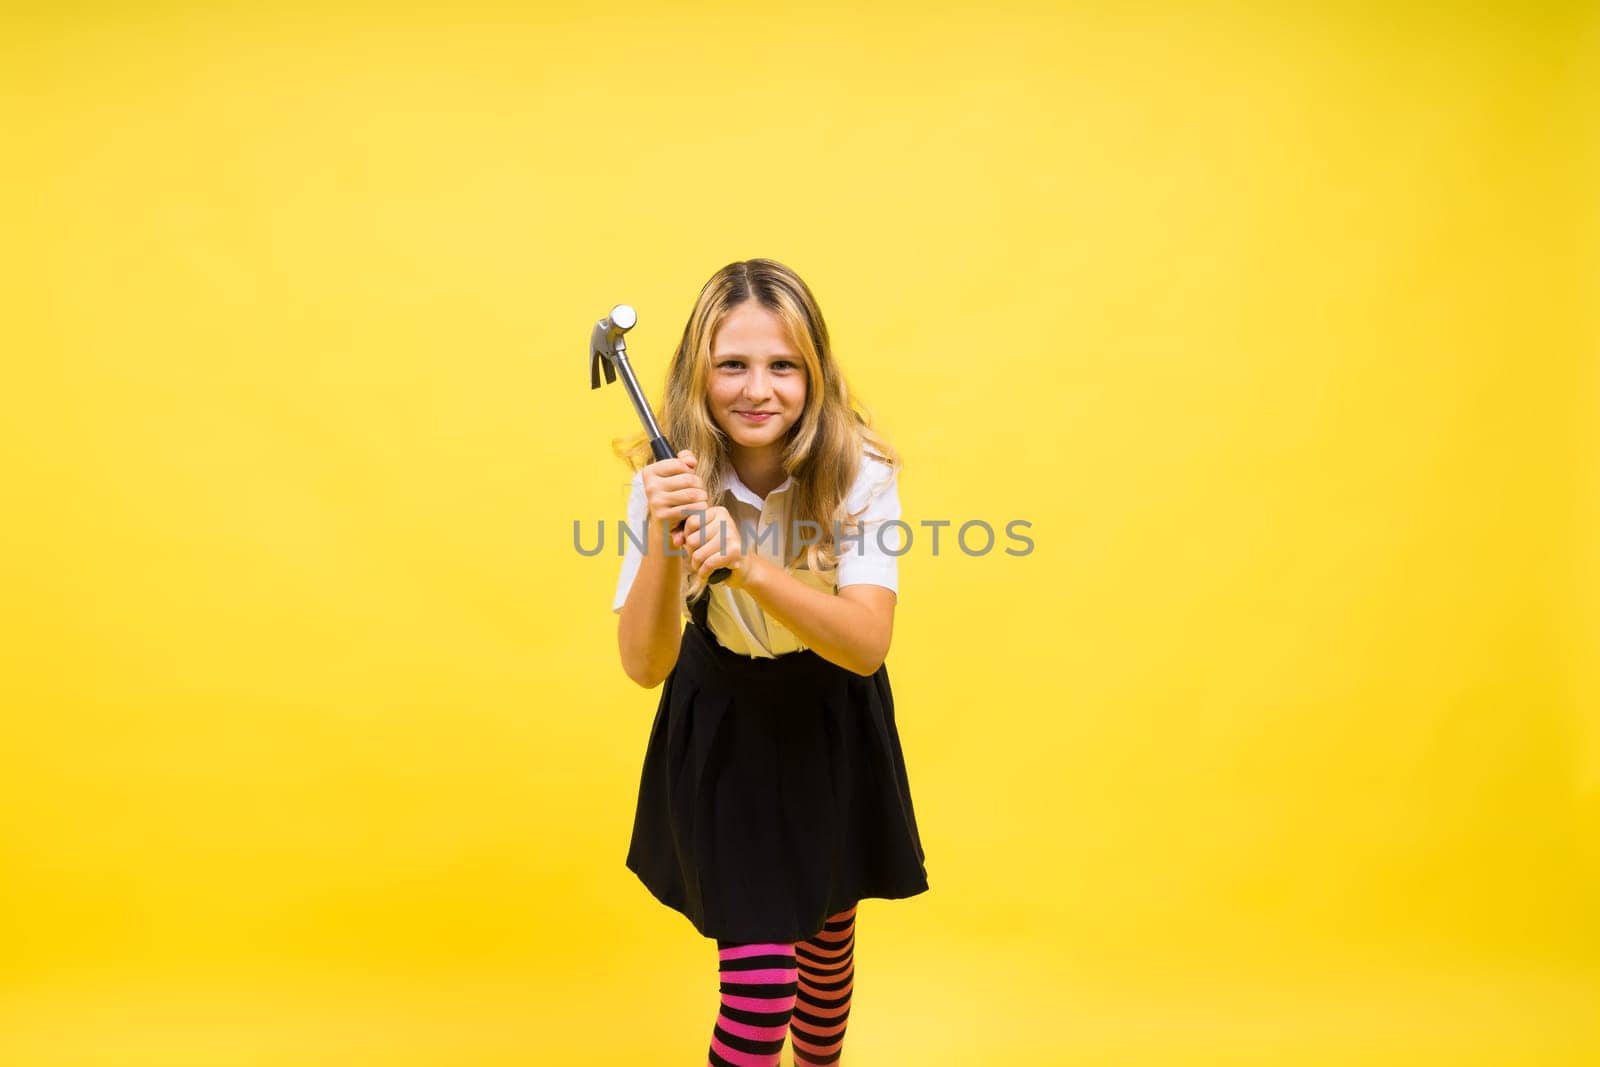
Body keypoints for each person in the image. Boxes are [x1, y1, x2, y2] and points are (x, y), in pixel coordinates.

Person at [611, 258, 929, 1066]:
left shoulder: (860, 468)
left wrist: (748, 563)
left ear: (814, 373)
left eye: (783, 365)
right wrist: (663, 539)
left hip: (830, 718)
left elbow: (865, 644)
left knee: (823, 970)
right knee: (760, 995)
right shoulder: (667, 483)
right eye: (733, 365)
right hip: (727, 722)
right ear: (698, 374)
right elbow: (646, 665)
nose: (759, 388)